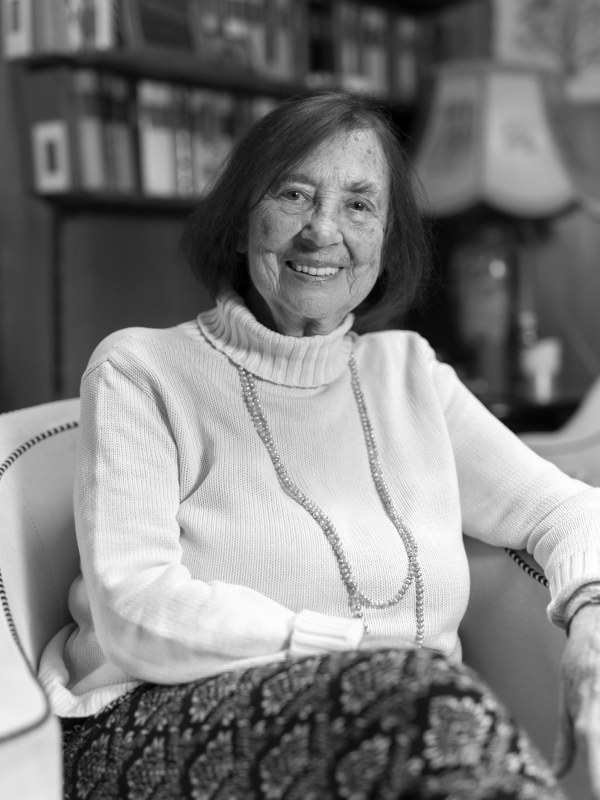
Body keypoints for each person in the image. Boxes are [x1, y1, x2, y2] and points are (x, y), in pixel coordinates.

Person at [39, 91, 600, 800]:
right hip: (150, 721)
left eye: (359, 205)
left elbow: (566, 509)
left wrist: (591, 613)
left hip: (401, 720)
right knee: (422, 704)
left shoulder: (411, 375)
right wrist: (355, 652)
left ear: (385, 241)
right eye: (294, 195)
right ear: (240, 223)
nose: (323, 231)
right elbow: (135, 607)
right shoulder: (142, 370)